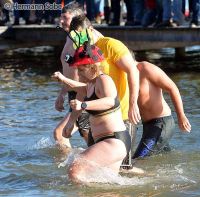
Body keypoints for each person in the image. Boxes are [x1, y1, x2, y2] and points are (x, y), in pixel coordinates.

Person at [54, 3, 140, 152]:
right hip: (99, 117)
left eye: (82, 35)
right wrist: (71, 119)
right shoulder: (84, 52)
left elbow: (133, 70)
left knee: (124, 170)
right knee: (95, 166)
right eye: (76, 37)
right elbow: (85, 88)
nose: (80, 40)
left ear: (91, 30)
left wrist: (134, 104)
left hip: (122, 116)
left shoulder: (110, 45)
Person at [52, 42, 132, 183]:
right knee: (105, 185)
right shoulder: (90, 85)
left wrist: (84, 104)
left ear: (93, 67)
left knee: (75, 170)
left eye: (81, 70)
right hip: (106, 141)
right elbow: (80, 90)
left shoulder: (104, 79)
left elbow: (110, 101)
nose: (78, 74)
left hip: (113, 140)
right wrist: (70, 124)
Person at [131, 58, 191, 159]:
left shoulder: (146, 68)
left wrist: (181, 116)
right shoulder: (126, 75)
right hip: (147, 126)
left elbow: (172, 88)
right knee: (164, 159)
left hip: (161, 124)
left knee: (138, 160)